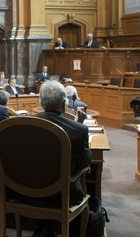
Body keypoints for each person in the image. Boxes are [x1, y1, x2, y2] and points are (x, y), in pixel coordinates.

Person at [36, 80, 91, 226]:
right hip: (64, 193)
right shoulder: (80, 130)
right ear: (64, 103)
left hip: (26, 190)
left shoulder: (22, 124)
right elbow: (85, 162)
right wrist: (78, 124)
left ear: (41, 103)